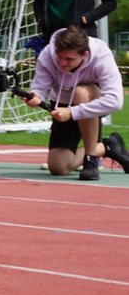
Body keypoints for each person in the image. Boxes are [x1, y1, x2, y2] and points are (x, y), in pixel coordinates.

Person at [26, 26, 127, 181]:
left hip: (92, 101)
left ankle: (90, 159)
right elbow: (40, 86)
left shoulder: (101, 55)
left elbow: (115, 101)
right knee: (58, 167)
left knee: (81, 93)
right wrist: (36, 96)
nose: (62, 63)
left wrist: (73, 112)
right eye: (59, 57)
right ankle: (108, 147)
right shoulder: (48, 54)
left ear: (84, 54)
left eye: (69, 59)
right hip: (63, 103)